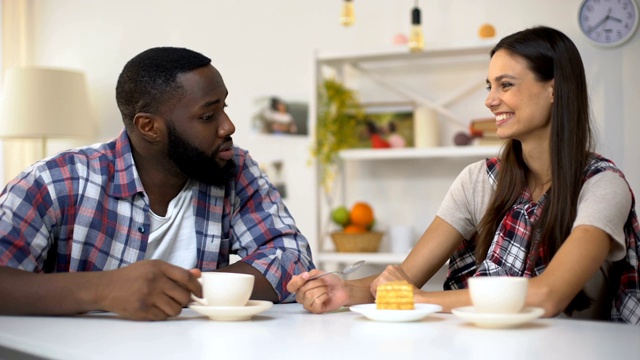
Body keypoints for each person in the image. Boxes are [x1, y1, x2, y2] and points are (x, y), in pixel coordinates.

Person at [287, 26, 640, 324]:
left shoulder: (603, 187)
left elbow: (547, 295)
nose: (490, 100)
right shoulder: (478, 180)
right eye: (490, 86)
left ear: (554, 89)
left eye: (505, 85)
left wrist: (420, 300)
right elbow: (406, 279)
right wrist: (345, 290)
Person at [0, 47, 314, 321]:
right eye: (208, 116)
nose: (228, 126)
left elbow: (291, 258)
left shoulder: (235, 168)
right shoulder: (56, 181)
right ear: (148, 126)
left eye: (224, 108)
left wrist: (185, 287)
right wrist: (102, 290)